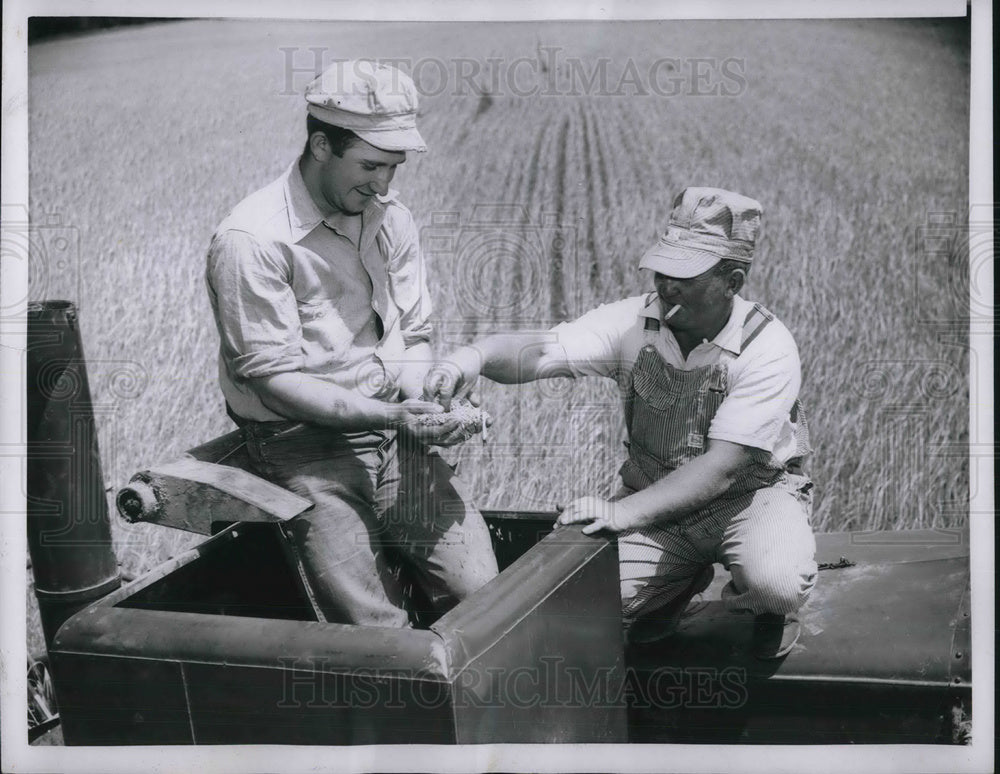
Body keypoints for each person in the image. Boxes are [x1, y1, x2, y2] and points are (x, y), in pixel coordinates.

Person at [424, 187, 817, 658]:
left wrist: (623, 514)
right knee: (570, 604)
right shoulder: (634, 321)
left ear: (732, 280)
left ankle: (751, 606)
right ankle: (675, 580)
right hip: (654, 498)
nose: (667, 285)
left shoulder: (767, 347)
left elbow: (724, 468)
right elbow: (544, 350)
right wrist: (475, 356)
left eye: (685, 275)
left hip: (749, 498)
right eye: (663, 268)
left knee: (775, 582)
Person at [205, 59, 498, 627]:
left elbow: (411, 334)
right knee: (377, 633)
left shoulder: (391, 220)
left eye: (394, 167)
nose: (383, 184)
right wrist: (395, 414)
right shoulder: (252, 241)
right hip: (303, 446)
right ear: (320, 145)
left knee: (484, 598)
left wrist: (430, 397)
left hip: (393, 433)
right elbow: (275, 383)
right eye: (369, 165)